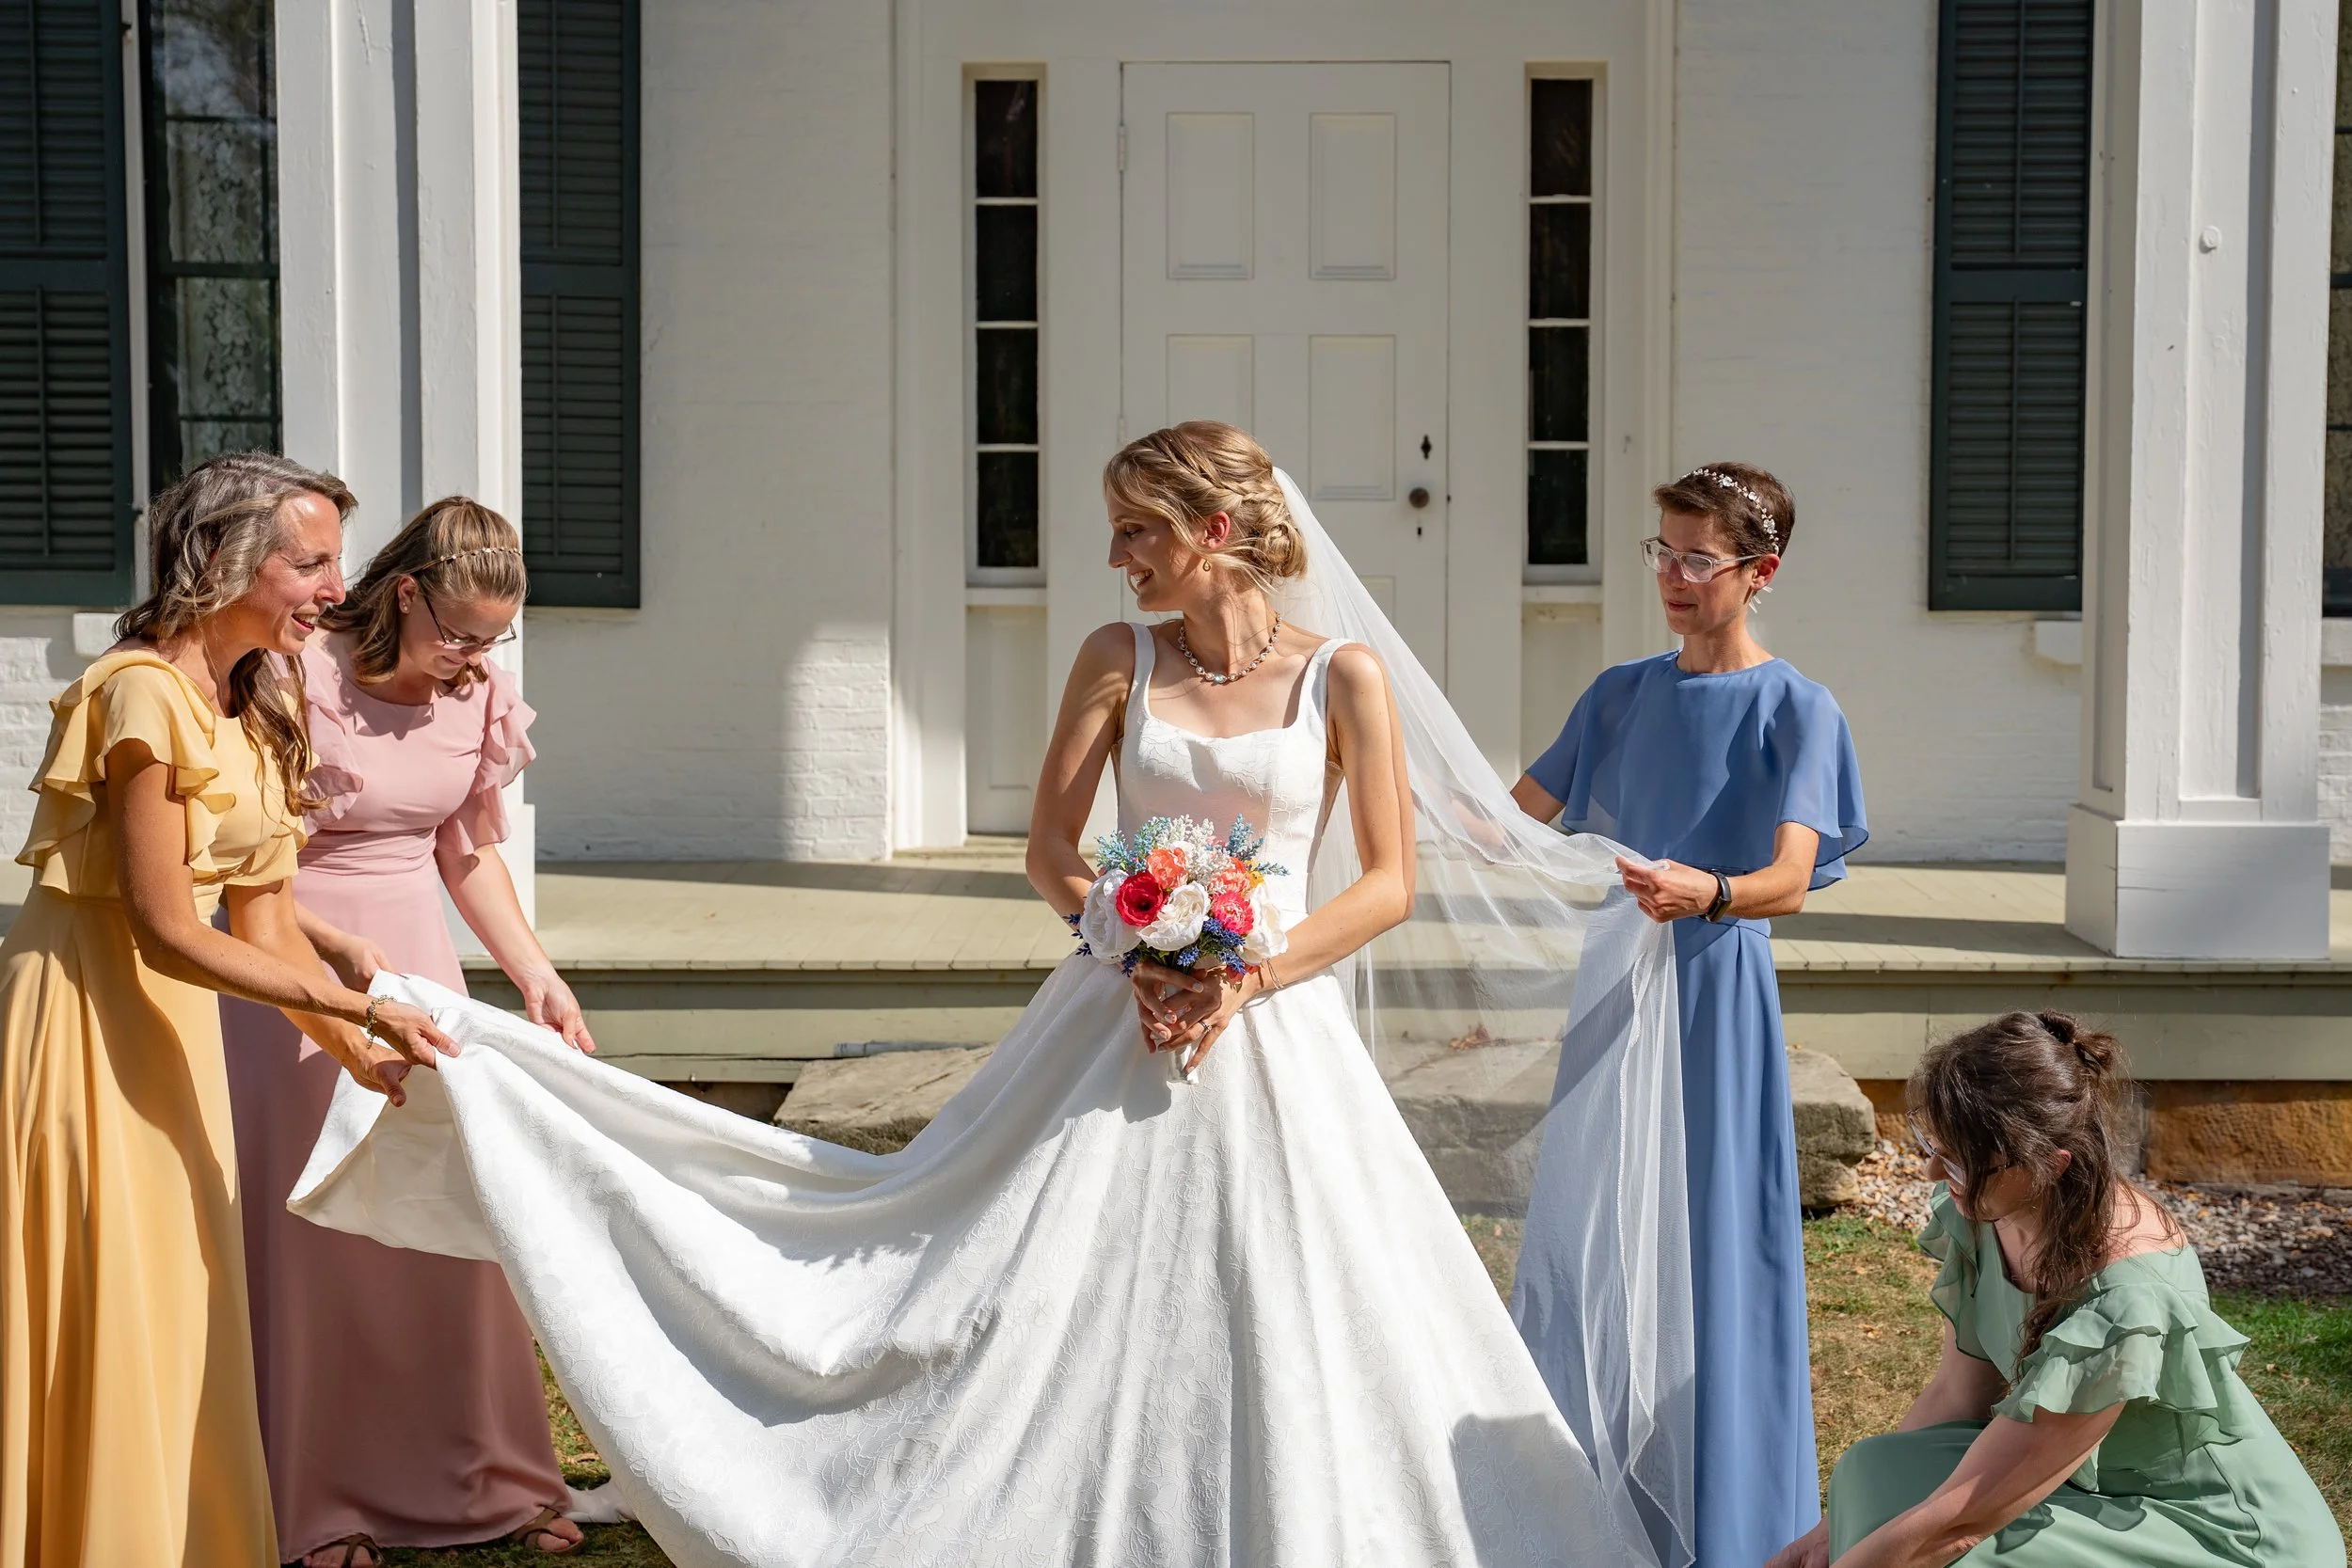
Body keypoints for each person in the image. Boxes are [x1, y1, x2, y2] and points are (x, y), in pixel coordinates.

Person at [281, 421, 1696, 1566]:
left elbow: (1383, 881)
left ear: (1214, 531)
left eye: (1140, 527)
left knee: (1308, 1290)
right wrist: (1138, 948)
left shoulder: (1346, 676)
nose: (1115, 553)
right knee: (997, 1269)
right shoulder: (1114, 656)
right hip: (1116, 1001)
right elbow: (1047, 845)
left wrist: (1239, 973)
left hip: (1275, 1025)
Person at [0, 452, 452, 1567]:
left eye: (333, 563)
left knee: (178, 1298)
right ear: (225, 563)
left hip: (173, 1040)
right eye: (308, 563)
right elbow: (163, 923)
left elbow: (262, 920)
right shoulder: (139, 691)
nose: (333, 592)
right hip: (86, 1030)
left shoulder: (258, 697)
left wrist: (361, 1054)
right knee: (103, 1295)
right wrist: (352, 998)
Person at [222, 498, 593, 1566]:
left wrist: (537, 976)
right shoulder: (297, 676)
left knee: (445, 1221)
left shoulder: (476, 694)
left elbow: (465, 853)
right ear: (403, 595)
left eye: (494, 637)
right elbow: (238, 864)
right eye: (459, 634)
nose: (474, 658)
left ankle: (494, 1477)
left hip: (420, 975)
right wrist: (324, 959)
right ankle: (321, 1499)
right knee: (322, 1241)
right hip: (292, 968)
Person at [1511, 463, 1867, 1568]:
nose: (1670, 574)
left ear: (1759, 573)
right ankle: (1568, 1492)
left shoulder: (1797, 707)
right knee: (1590, 1223)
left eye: (1696, 557)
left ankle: (1727, 1514)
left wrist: (1701, 889)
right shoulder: (1617, 693)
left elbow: (1790, 878)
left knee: (1714, 1237)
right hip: (1617, 977)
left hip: (1715, 985)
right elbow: (1512, 821)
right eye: (1660, 550)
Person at [1772, 1011, 2345, 1568]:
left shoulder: (2129, 1295)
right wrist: (1830, 1533)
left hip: (2211, 1530)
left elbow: (1961, 1525)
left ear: (2049, 1163)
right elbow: (1958, 1396)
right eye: (1931, 1144)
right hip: (2086, 1484)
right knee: (1872, 1472)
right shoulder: (1986, 1209)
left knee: (1954, 1554)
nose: (1930, 1174)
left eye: (1959, 1160)